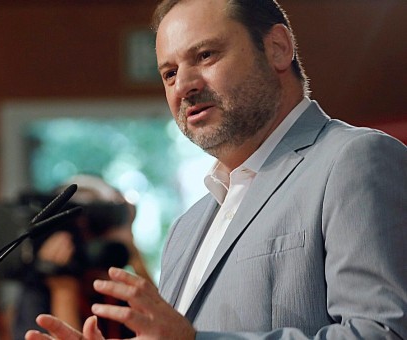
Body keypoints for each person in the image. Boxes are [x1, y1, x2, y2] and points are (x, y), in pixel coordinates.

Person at [24, 0, 407, 339]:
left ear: (277, 48)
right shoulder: (186, 228)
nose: (185, 86)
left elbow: (382, 333)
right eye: (170, 73)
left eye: (205, 55)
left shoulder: (354, 160)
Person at [14, 175, 153, 339]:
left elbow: (165, 328)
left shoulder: (117, 294)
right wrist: (63, 290)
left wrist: (133, 258)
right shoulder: (39, 291)